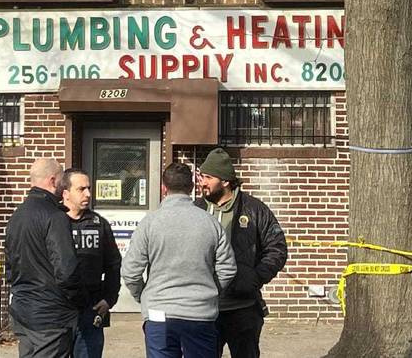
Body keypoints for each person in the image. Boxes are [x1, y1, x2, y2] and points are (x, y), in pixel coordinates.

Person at [121, 162, 236, 358]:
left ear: (163, 188)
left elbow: (130, 271)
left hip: (159, 313)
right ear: (191, 188)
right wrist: (209, 291)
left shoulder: (149, 223)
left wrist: (145, 296)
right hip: (200, 313)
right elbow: (228, 269)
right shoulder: (210, 223)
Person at [195, 148, 288, 358]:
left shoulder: (254, 209)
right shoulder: (196, 209)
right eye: (202, 176)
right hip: (204, 308)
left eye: (208, 177)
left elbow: (277, 248)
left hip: (243, 308)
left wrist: (254, 278)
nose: (202, 182)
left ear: (226, 181)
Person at [5, 158, 84, 358]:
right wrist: (76, 299)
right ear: (52, 180)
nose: (63, 185)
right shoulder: (55, 216)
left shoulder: (17, 216)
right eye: (61, 179)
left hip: (23, 308)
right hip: (50, 314)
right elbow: (66, 269)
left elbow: (10, 265)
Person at [60, 168, 121, 358]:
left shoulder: (98, 224)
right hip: (59, 309)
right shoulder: (54, 222)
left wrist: (108, 299)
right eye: (81, 189)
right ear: (65, 193)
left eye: (89, 188)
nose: (88, 193)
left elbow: (113, 265)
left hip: (91, 308)